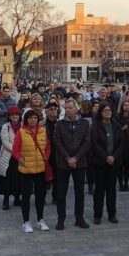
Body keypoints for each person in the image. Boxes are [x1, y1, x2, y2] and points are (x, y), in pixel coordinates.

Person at [53, 98, 91, 230]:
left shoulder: (85, 123)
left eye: (70, 108)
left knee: (79, 192)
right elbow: (57, 142)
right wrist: (68, 158)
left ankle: (79, 218)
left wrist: (76, 158)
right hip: (63, 163)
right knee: (61, 192)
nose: (67, 110)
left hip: (80, 163)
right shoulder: (60, 124)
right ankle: (61, 219)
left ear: (76, 109)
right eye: (66, 108)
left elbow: (87, 142)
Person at [12, 108, 51, 232]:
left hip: (40, 169)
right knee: (26, 196)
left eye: (35, 118)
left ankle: (40, 219)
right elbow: (15, 150)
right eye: (30, 118)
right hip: (26, 170)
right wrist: (20, 159)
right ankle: (26, 222)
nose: (33, 120)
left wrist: (46, 156)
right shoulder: (21, 132)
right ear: (26, 120)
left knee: (40, 196)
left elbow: (48, 147)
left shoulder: (43, 131)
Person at [90, 103, 125, 224]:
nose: (107, 112)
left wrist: (114, 157)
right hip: (100, 163)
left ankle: (112, 214)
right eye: (105, 110)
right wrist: (106, 157)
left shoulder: (116, 125)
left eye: (109, 110)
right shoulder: (96, 126)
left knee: (111, 190)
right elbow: (94, 144)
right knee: (99, 190)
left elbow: (121, 143)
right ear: (100, 112)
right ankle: (97, 215)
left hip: (114, 163)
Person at [0, 106, 22, 210]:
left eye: (16, 114)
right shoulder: (5, 126)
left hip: (20, 157)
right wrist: (16, 150)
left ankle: (17, 198)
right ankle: (6, 200)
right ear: (9, 116)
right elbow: (5, 142)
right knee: (7, 178)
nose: (15, 116)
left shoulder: (23, 126)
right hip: (8, 157)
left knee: (19, 178)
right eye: (12, 115)